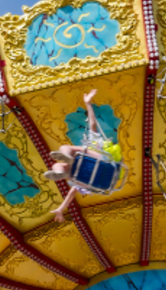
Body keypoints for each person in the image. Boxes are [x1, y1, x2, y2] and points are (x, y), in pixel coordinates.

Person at [45, 90, 123, 222]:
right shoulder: (97, 144)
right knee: (67, 155)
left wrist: (62, 208)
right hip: (99, 168)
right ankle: (64, 164)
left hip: (96, 170)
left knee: (64, 155)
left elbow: (71, 193)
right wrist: (88, 104)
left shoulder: (93, 146)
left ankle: (64, 164)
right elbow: (93, 123)